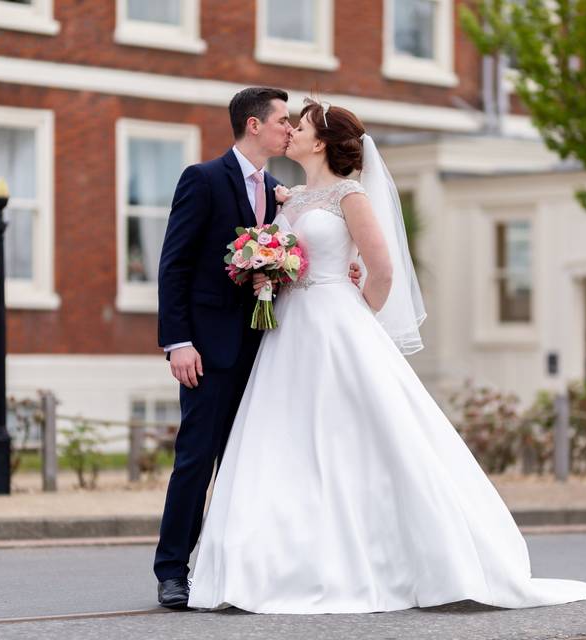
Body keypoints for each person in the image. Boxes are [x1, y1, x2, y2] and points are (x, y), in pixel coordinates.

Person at [185, 99, 586, 614]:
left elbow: (381, 269)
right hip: (288, 330)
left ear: (319, 142)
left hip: (337, 324)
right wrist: (269, 272)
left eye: (300, 127)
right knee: (285, 440)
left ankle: (400, 559)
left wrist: (355, 311)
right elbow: (292, 256)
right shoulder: (289, 198)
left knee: (357, 437)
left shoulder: (351, 195)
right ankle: (274, 561)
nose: (291, 132)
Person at [153, 87, 360, 608]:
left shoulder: (280, 190)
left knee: (250, 463)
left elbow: (294, 258)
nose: (290, 129)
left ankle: (232, 568)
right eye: (282, 121)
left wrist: (344, 268)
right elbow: (173, 264)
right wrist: (178, 341)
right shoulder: (201, 180)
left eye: (294, 124)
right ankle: (172, 570)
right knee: (197, 459)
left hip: (270, 347)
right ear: (253, 125)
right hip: (209, 349)